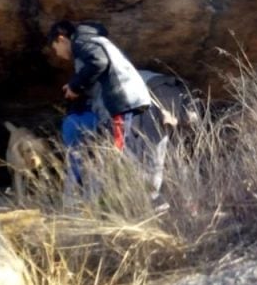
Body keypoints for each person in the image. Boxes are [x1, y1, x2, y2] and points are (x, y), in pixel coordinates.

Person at [48, 20, 172, 205]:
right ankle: (146, 204)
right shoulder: (97, 40)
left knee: (120, 158)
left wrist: (75, 86)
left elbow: (98, 62)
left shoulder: (81, 42)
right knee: (133, 156)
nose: (57, 53)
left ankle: (143, 205)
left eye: (55, 47)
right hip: (135, 101)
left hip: (122, 105)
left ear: (61, 39)